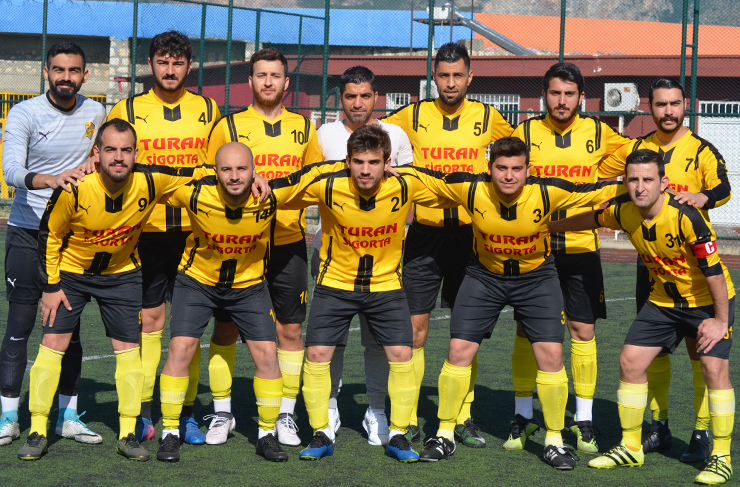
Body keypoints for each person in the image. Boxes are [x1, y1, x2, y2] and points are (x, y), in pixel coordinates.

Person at [397, 137, 627, 470]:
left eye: (516, 169)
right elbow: (425, 177)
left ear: (528, 170)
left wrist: (640, 186)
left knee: (551, 355)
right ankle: (444, 434)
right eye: (501, 168)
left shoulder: (547, 191)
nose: (508, 176)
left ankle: (554, 441)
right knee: (458, 350)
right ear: (489, 168)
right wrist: (390, 171)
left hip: (536, 279)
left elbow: (595, 192)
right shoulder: (471, 188)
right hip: (484, 277)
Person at [17, 119, 196, 461]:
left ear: (136, 153)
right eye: (110, 149)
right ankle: (38, 430)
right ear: (96, 153)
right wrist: (51, 286)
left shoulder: (150, 180)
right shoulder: (75, 187)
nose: (118, 157)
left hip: (122, 274)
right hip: (71, 273)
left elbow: (202, 174)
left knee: (129, 351)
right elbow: (49, 235)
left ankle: (128, 434)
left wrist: (253, 177)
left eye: (126, 150)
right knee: (53, 344)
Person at [551, 149, 734, 485]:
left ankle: (721, 457)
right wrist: (547, 227)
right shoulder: (623, 211)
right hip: (662, 302)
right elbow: (592, 219)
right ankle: (631, 447)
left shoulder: (687, 216)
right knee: (630, 362)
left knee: (713, 368)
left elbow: (714, 273)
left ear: (663, 182)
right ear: (625, 182)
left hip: (706, 303)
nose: (640, 186)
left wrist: (720, 322)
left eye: (648, 179)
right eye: (633, 179)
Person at [283, 125, 455, 463]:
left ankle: (398, 433)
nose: (365, 170)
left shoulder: (405, 183)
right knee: (316, 354)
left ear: (388, 163)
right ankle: (321, 431)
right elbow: (284, 189)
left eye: (374, 162)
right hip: (335, 283)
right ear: (347, 161)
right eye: (358, 162)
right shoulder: (328, 183)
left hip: (385, 285)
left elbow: (456, 187)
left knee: (402, 354)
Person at [154, 142, 328, 463]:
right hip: (197, 282)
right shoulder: (195, 192)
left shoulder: (270, 196)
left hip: (248, 286)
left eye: (242, 169)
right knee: (180, 350)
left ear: (254, 170)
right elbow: (150, 178)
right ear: (215, 172)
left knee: (268, 355)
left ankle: (266, 435)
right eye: (226, 169)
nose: (234, 176)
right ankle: (169, 433)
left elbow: (314, 176)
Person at [381, 42, 513, 447]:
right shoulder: (412, 114)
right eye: (444, 75)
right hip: (424, 236)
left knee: (465, 332)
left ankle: (463, 416)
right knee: (414, 331)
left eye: (458, 75)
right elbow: (373, 133)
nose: (451, 83)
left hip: (472, 238)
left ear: (470, 77)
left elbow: (520, 153)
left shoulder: (489, 116)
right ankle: (407, 416)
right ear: (433, 77)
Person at [599, 78, 732, 462]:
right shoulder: (638, 148)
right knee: (652, 353)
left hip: (694, 273)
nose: (668, 111)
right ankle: (658, 427)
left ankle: (702, 432)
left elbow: (724, 187)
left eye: (674, 103)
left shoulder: (701, 150)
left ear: (684, 105)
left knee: (699, 353)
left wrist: (702, 196)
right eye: (661, 104)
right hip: (652, 267)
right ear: (650, 107)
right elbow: (597, 171)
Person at [508, 62, 631, 453]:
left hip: (580, 248)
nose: (562, 101)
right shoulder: (525, 133)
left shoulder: (598, 131)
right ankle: (522, 415)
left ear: (581, 97)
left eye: (569, 93)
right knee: (526, 330)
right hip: (535, 249)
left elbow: (634, 155)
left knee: (583, 330)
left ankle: (584, 419)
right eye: (555, 93)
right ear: (544, 95)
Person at [107, 31, 223, 445]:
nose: (170, 70)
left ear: (189, 66)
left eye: (177, 62)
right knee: (151, 322)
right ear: (150, 64)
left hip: (195, 232)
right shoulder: (127, 108)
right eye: (162, 61)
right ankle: (142, 411)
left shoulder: (208, 109)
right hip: (147, 231)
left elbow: (218, 167)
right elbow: (108, 162)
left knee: (188, 328)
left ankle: (185, 414)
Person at [206, 47, 323, 447]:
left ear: (286, 83)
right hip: (237, 244)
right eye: (261, 75)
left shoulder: (304, 127)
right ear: (250, 81)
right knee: (226, 326)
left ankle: (285, 415)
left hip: (288, 242)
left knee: (290, 329)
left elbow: (313, 180)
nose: (268, 82)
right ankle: (222, 412)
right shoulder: (228, 125)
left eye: (275, 75)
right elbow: (208, 178)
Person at [0, 41, 106, 447]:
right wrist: (53, 179)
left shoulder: (97, 113)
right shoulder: (25, 113)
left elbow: (110, 154)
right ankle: (9, 417)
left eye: (74, 70)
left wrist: (94, 163)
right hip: (28, 232)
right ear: (46, 72)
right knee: (20, 325)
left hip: (71, 237)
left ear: (85, 75)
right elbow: (12, 171)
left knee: (69, 328)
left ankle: (68, 417)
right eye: (58, 69)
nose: (66, 77)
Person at [314, 65, 413, 446]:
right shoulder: (324, 135)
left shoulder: (396, 135)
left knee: (378, 342)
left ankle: (376, 410)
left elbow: (410, 186)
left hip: (383, 261)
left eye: (365, 95)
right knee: (331, 342)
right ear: (340, 98)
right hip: (332, 256)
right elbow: (308, 180)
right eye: (350, 96)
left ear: (376, 97)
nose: (358, 103)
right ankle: (329, 409)